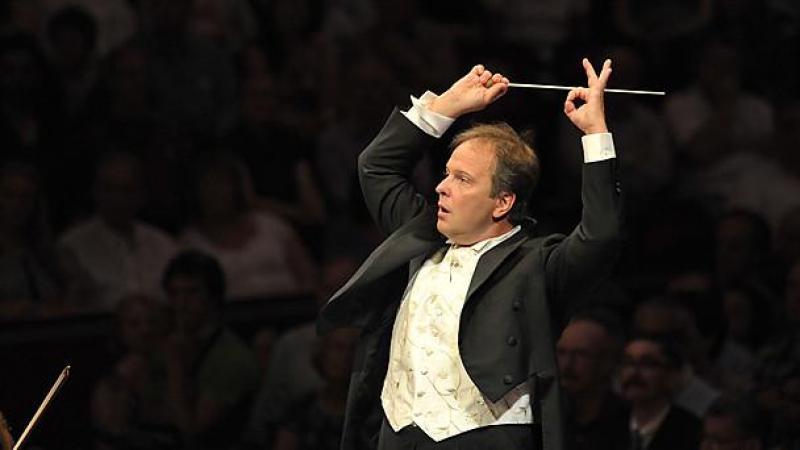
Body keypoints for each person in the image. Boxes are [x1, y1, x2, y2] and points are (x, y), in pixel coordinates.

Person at [317, 59, 623, 450]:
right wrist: (447, 106)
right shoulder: (419, 235)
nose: (441, 187)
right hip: (397, 433)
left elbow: (601, 235)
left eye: (462, 179)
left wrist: (596, 134)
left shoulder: (537, 264)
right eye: (446, 173)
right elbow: (376, 167)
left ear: (503, 202)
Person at [556, 309, 629, 450]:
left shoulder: (629, 423)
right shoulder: (546, 416)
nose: (567, 365)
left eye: (581, 354)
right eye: (561, 352)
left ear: (608, 361)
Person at [619, 335, 701, 450]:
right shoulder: (609, 422)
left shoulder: (693, 433)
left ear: (673, 375)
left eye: (647, 364)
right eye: (628, 363)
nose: (633, 372)